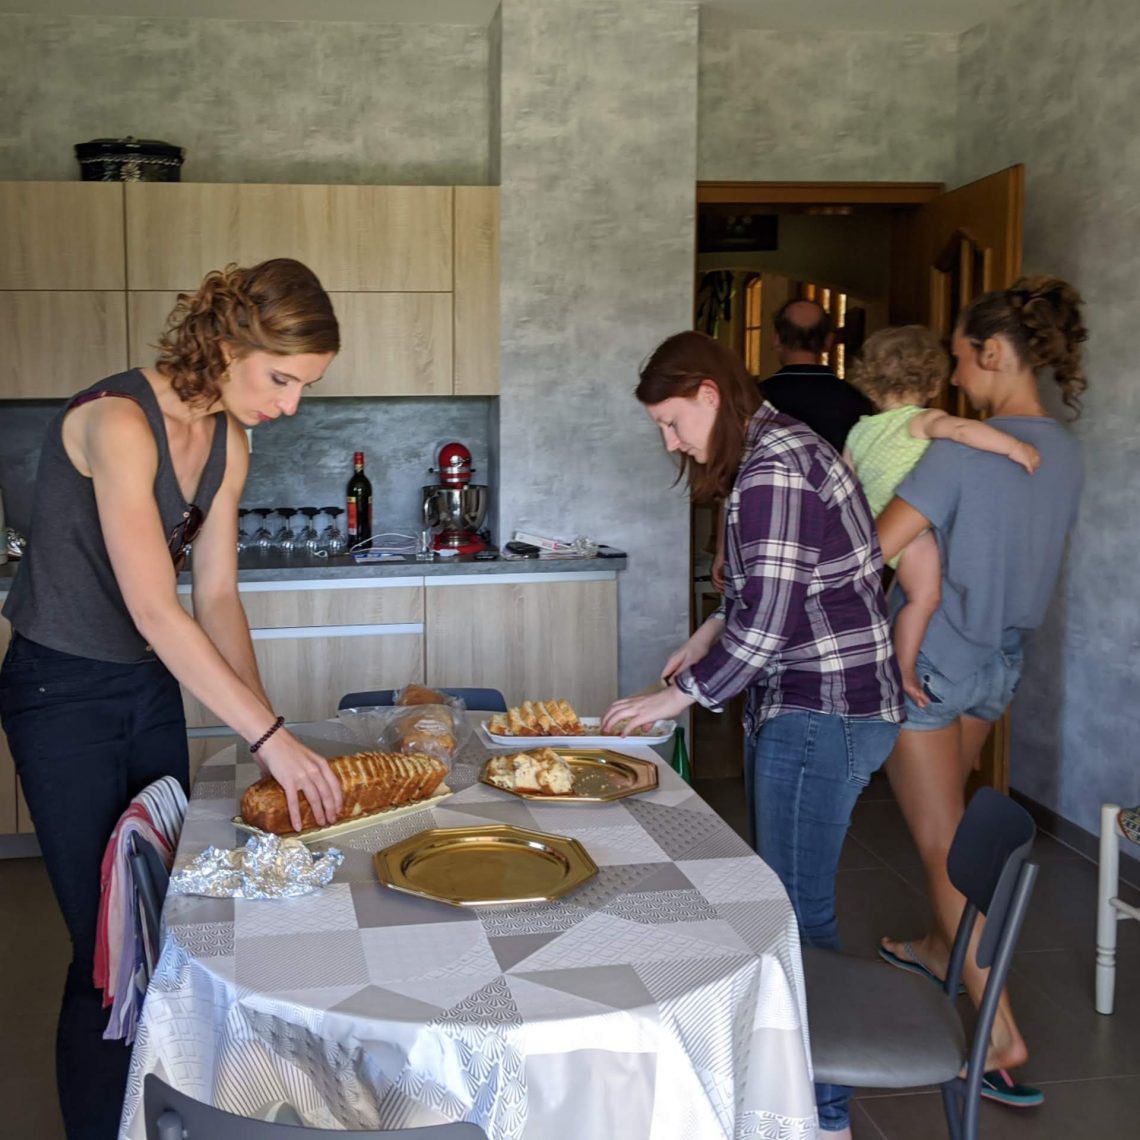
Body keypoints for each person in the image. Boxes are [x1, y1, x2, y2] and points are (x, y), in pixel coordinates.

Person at [0, 257, 346, 1140]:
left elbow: (218, 598)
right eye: (281, 379)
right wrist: (269, 736)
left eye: (304, 386)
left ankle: (164, 1109)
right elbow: (156, 607)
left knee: (175, 919)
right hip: (60, 692)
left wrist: (265, 741)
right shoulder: (116, 421)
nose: (289, 404)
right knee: (106, 950)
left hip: (145, 687)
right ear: (226, 344)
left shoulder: (231, 440)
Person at [602, 330, 903, 1139]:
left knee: (794, 915)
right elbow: (781, 592)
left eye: (671, 422)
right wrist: (708, 636)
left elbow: (768, 622)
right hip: (828, 706)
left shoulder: (773, 466)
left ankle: (824, 1112)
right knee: (791, 907)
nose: (670, 442)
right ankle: (799, 1089)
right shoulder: (783, 450)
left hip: (822, 710)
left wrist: (677, 700)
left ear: (707, 392)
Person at [874, 277, 1087, 1108]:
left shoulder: (963, 448)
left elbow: (880, 545)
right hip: (1000, 661)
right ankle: (938, 942)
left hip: (932, 659)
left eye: (962, 360)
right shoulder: (1064, 450)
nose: (957, 380)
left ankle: (998, 1033)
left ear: (994, 353)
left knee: (939, 842)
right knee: (955, 826)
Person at [844, 325, 1042, 708]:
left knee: (902, 594)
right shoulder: (920, 420)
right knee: (925, 598)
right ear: (933, 384)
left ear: (869, 386)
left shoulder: (858, 432)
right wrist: (1014, 446)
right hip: (915, 534)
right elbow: (964, 431)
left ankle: (885, 650)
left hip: (878, 529)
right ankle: (901, 669)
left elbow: (844, 487)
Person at [711, 297, 871, 590]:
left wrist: (723, 546)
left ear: (775, 340)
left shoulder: (753, 401)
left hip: (762, 535)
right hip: (835, 539)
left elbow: (733, 478)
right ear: (827, 341)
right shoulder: (857, 403)